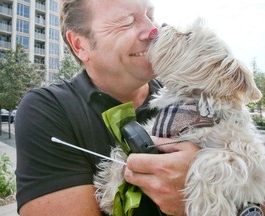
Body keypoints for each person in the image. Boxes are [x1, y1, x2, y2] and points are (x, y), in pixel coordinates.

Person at [14, 0, 200, 215]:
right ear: (80, 45)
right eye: (127, 22)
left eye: (150, 15)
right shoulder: (48, 109)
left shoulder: (190, 99)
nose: (154, 31)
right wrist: (199, 198)